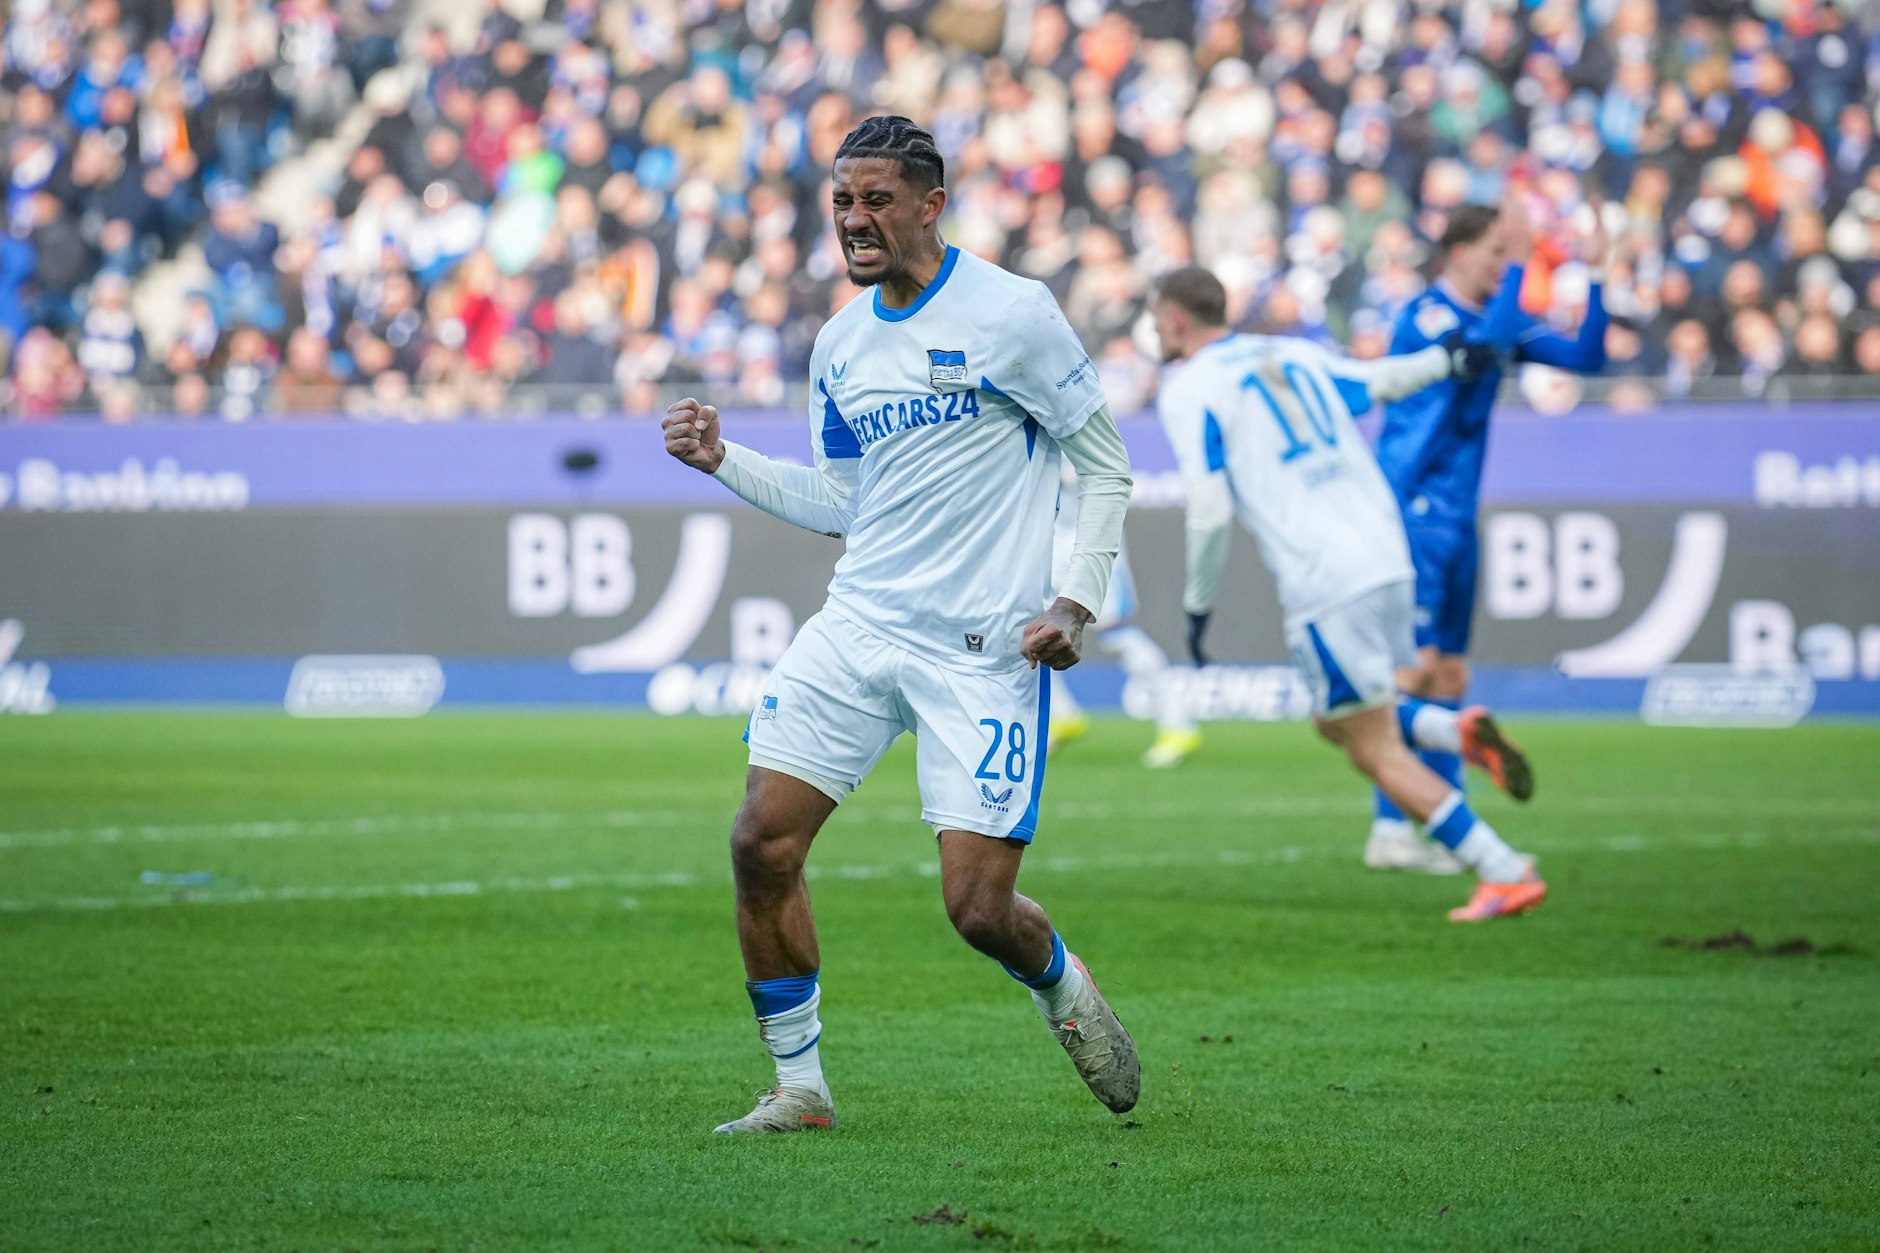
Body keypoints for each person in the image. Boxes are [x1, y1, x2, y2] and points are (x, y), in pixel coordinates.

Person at [661, 116, 1141, 1135]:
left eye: (876, 199)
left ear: (929, 204)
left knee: (975, 911)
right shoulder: (839, 344)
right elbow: (842, 499)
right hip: (858, 623)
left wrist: (1074, 598)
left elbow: (1100, 462)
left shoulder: (1013, 313)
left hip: (981, 649)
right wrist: (724, 462)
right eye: (841, 200)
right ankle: (800, 1087)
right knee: (760, 840)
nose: (853, 219)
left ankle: (1058, 982)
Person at [1152, 265, 1544, 924]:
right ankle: (1455, 730)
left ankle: (1502, 868)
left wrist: (1197, 604)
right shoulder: (1292, 351)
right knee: (1334, 718)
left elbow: (1210, 510)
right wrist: (1448, 359)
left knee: (1372, 746)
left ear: (1174, 319)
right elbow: (1381, 379)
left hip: (1325, 576)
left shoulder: (1190, 388)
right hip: (1386, 552)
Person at [1367, 200, 1606, 873]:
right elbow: (1477, 351)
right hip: (1411, 506)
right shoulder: (1428, 316)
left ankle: (1439, 824)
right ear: (1462, 252)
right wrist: (1531, 260)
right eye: (1498, 253)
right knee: (1410, 670)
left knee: (1449, 672)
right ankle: (1391, 828)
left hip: (1456, 514)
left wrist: (1593, 273)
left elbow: (1583, 356)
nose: (1506, 266)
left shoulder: (1494, 317)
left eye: (1510, 254)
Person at [1045, 461, 1202, 768]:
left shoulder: (1070, 418)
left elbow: (1104, 467)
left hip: (1092, 544)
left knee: (1118, 636)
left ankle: (1178, 725)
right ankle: (1060, 714)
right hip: (1049, 544)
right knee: (1026, 628)